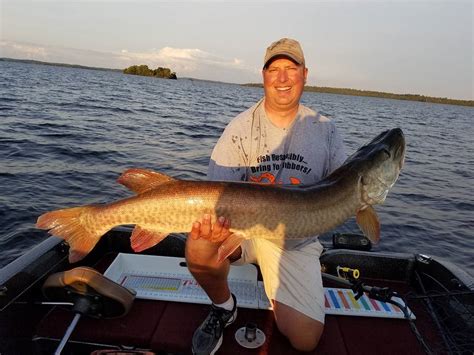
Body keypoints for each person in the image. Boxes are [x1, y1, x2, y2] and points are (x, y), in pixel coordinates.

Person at [185, 38, 346, 355]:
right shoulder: (240, 128)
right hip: (242, 231)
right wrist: (218, 227)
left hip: (294, 240)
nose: (282, 78)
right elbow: (216, 197)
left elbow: (340, 188)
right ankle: (223, 306)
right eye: (274, 69)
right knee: (199, 243)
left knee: (305, 340)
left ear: (305, 74)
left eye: (291, 68)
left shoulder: (325, 130)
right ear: (263, 76)